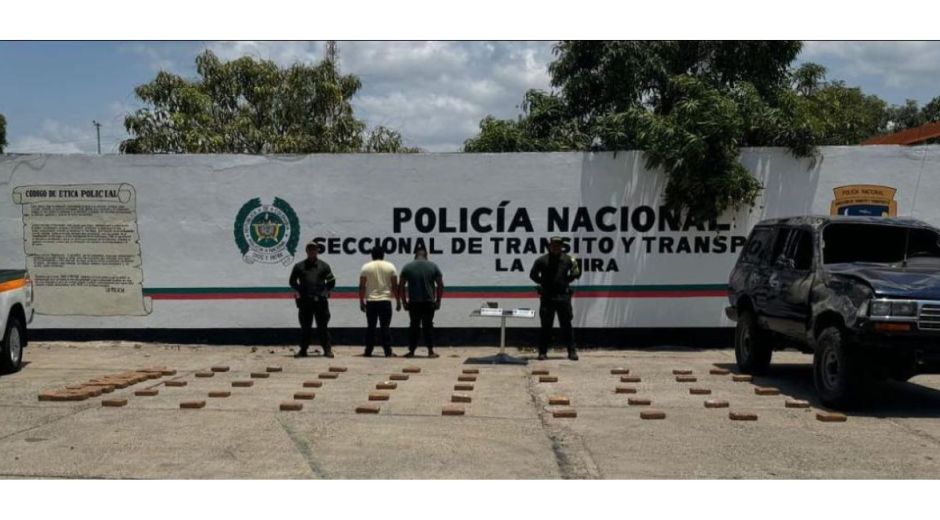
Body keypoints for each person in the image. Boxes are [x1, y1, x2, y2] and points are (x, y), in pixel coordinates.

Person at [529, 236, 582, 361]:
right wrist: (543, 283)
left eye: (558, 245)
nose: (556, 247)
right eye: (554, 245)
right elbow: (533, 275)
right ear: (549, 246)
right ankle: (542, 352)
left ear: (562, 247)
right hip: (547, 297)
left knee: (566, 325)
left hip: (563, 297)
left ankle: (572, 351)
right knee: (546, 326)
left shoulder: (568, 260)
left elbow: (576, 272)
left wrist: (568, 279)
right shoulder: (542, 260)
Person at [289, 241, 336, 358]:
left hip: (320, 302)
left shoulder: (324, 266)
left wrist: (325, 292)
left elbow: (332, 281)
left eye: (314, 249)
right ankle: (303, 350)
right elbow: (292, 281)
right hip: (305, 302)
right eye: (310, 249)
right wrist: (300, 291)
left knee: (323, 327)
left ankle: (327, 350)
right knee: (305, 327)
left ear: (317, 251)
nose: (312, 251)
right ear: (306, 251)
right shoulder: (299, 266)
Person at [398, 245, 443, 358]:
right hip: (428, 302)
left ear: (415, 256)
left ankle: (412, 351)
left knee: (414, 326)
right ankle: (430, 351)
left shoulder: (407, 267)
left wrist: (404, 302)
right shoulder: (433, 266)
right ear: (426, 256)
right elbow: (440, 284)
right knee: (428, 326)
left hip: (414, 302)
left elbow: (401, 286)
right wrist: (438, 300)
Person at [359, 245, 399, 357]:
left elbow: (362, 286)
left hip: (371, 301)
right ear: (383, 255)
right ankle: (388, 351)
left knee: (371, 327)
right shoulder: (390, 267)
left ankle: (368, 351)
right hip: (385, 301)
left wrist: (361, 301)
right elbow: (395, 286)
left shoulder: (366, 267)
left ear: (372, 255)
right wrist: (398, 301)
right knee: (385, 327)